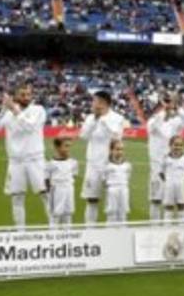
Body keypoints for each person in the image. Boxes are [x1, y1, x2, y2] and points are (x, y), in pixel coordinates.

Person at [0, 83, 49, 230]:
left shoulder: (38, 110)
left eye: (28, 94)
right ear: (15, 96)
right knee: (17, 198)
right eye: (22, 94)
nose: (26, 97)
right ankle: (20, 232)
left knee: (45, 195)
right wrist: (2, 111)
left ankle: (54, 230)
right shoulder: (7, 113)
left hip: (36, 159)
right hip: (16, 162)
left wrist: (14, 110)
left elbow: (30, 127)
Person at [80, 91, 128, 225]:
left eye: (95, 101)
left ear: (104, 103)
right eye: (93, 101)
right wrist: (95, 120)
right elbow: (83, 136)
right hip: (93, 164)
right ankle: (90, 232)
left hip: (111, 165)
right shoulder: (90, 118)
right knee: (92, 199)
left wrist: (103, 120)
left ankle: (112, 232)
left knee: (112, 201)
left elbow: (117, 136)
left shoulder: (117, 118)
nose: (93, 104)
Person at [146, 93, 184, 222]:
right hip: (157, 166)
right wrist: (164, 110)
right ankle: (154, 228)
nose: (167, 106)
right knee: (155, 199)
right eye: (164, 104)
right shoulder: (153, 121)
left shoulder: (176, 122)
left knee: (177, 202)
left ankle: (176, 229)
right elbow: (152, 128)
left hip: (174, 168)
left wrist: (177, 108)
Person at [159, 135, 184, 223]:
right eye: (175, 145)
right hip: (169, 185)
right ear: (170, 145)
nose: (178, 147)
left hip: (181, 185)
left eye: (180, 145)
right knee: (168, 206)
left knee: (182, 205)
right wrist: (167, 181)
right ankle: (167, 229)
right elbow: (161, 172)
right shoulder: (165, 158)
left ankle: (182, 228)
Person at [44, 137, 77, 229]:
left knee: (68, 213)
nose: (68, 149)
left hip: (69, 189)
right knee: (55, 215)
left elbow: (74, 175)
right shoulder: (50, 164)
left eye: (69, 146)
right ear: (57, 147)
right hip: (56, 189)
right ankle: (53, 238)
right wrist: (50, 192)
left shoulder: (73, 162)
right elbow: (46, 179)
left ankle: (68, 237)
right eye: (66, 146)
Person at [103, 139, 132, 225]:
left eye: (121, 149)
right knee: (112, 213)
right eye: (117, 149)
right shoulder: (107, 165)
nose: (120, 152)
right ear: (111, 150)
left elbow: (128, 176)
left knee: (123, 213)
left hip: (124, 189)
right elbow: (104, 179)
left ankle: (123, 234)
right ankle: (110, 234)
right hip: (112, 190)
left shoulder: (127, 165)